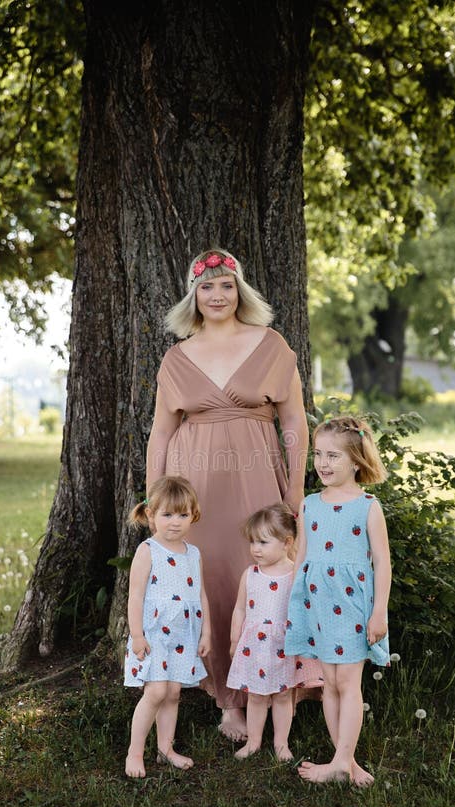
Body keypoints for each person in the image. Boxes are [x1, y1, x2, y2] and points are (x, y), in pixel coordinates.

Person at [146, 248, 308, 741]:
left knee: (257, 570)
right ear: (193, 296)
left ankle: (272, 686)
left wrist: (296, 490)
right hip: (196, 483)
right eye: (207, 286)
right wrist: (157, 500)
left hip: (257, 475)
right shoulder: (177, 357)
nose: (218, 295)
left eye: (227, 285)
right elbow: (160, 433)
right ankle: (226, 698)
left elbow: (295, 421)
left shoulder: (270, 344)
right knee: (211, 575)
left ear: (241, 291)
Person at [284, 416, 391, 786]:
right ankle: (344, 761)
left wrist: (379, 613)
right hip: (318, 604)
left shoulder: (368, 507)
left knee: (348, 683)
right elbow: (302, 558)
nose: (324, 463)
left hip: (352, 607)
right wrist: (294, 601)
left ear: (357, 461)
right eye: (318, 454)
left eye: (334, 456)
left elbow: (382, 564)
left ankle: (341, 762)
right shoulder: (310, 505)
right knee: (328, 683)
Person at [124, 476, 211, 778]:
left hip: (183, 634)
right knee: (156, 691)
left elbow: (200, 595)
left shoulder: (194, 553)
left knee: (173, 692)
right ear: (151, 515)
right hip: (154, 634)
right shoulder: (148, 550)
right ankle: (135, 752)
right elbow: (135, 596)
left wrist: (207, 631)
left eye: (183, 515)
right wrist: (136, 634)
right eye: (167, 515)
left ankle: (165, 749)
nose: (175, 522)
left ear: (193, 515)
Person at [226, 503, 300, 761]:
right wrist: (235, 639)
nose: (255, 549)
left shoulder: (294, 574)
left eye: (264, 542)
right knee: (256, 696)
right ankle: (254, 742)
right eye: (253, 542)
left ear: (286, 542)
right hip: (254, 646)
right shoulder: (251, 574)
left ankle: (281, 743)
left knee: (282, 696)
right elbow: (239, 609)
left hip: (283, 645)